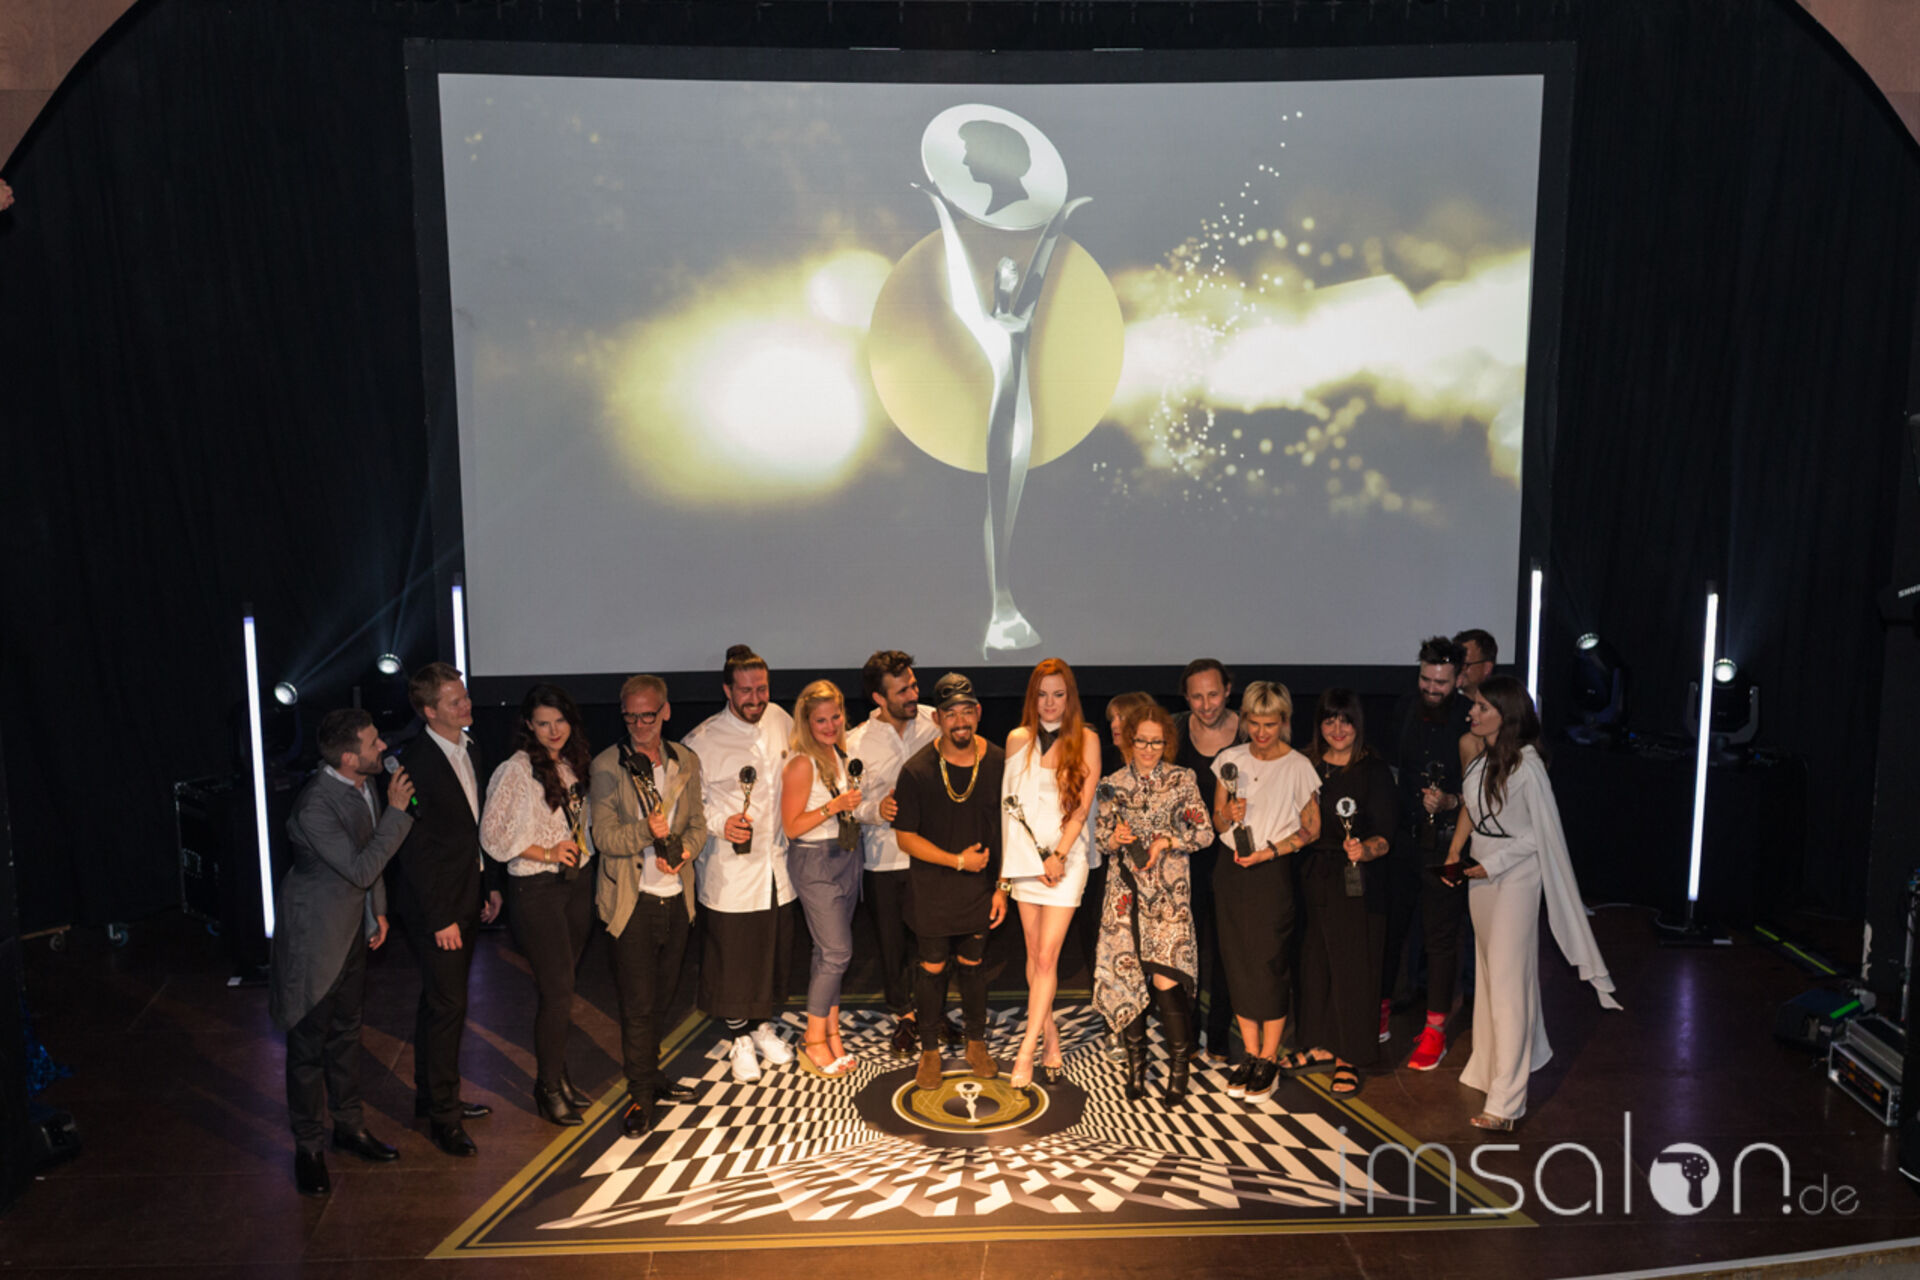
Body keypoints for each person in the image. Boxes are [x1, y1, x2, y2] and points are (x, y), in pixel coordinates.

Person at [1446, 677, 1622, 1130]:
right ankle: (1495, 1066)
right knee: (1492, 974)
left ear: (1505, 714)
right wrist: (1455, 851)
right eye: (1474, 706)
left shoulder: (1528, 767)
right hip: (1481, 874)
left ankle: (1506, 1103)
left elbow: (1539, 836)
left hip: (1516, 878)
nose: (1472, 713)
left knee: (1507, 982)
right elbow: (1470, 808)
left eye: (1482, 707)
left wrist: (1493, 864)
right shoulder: (1480, 758)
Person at [271, 709, 413, 1197]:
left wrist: (379, 910)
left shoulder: (362, 784)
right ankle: (308, 1148)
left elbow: (370, 862)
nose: (384, 747)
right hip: (315, 937)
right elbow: (361, 866)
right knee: (308, 1046)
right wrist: (398, 812)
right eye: (374, 743)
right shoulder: (315, 807)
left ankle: (348, 1127)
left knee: (348, 1034)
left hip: (354, 929)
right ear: (349, 758)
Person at [589, 674, 708, 1139]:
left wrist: (684, 852)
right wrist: (646, 831)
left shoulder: (685, 760)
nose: (640, 725)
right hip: (631, 903)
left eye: (648, 716)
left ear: (666, 712)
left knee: (662, 1000)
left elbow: (697, 824)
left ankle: (653, 1076)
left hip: (677, 900)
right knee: (638, 1006)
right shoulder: (607, 765)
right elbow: (603, 838)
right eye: (631, 717)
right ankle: (640, 1094)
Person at [479, 684, 597, 1127]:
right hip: (536, 889)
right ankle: (547, 1088)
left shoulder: (570, 762)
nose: (553, 730)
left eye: (560, 721)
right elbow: (492, 837)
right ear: (529, 724)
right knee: (557, 990)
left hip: (576, 884)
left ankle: (559, 1077)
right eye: (543, 723)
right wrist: (547, 852)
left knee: (563, 990)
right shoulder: (515, 769)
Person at [391, 662, 497, 1157]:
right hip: (436, 907)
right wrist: (440, 918)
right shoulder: (415, 763)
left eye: (465, 695)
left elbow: (475, 828)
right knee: (449, 1006)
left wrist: (489, 886)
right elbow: (415, 852)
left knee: (439, 1000)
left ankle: (430, 1097)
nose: (467, 705)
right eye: (455, 701)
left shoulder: (470, 748)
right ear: (429, 711)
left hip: (466, 893)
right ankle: (444, 1117)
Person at [683, 644, 797, 1083]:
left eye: (762, 689)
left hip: (777, 866)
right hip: (729, 871)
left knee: (770, 953)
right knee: (732, 958)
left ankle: (761, 1027)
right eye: (746, 691)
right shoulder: (702, 741)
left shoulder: (781, 720)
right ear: (727, 690)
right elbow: (690, 806)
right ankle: (739, 1038)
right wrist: (720, 823)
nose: (755, 699)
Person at [892, 672, 1010, 1090]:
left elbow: (1009, 829)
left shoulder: (999, 762)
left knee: (974, 965)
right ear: (937, 718)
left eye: (966, 712)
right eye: (950, 713)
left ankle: (976, 1044)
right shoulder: (917, 770)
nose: (960, 721)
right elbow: (905, 837)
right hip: (932, 889)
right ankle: (929, 1052)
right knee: (933, 967)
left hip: (981, 888)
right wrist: (957, 861)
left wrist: (1003, 887)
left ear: (978, 713)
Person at [1091, 700, 1211, 1104]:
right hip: (1124, 896)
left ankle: (1179, 1068)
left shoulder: (1182, 779)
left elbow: (1205, 833)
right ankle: (1136, 1068)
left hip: (1168, 897)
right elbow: (1100, 840)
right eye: (1141, 741)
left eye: (1156, 742)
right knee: (1128, 979)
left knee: (1165, 980)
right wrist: (1115, 838)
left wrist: (1168, 841)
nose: (1148, 749)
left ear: (1167, 743)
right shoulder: (1110, 784)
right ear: (1129, 741)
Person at [1282, 690, 1397, 1099]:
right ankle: (1317, 1044)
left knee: (1353, 967)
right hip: (1310, 874)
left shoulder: (1374, 771)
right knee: (1311, 963)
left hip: (1357, 879)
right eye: (1329, 720)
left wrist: (1365, 850)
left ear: (1358, 723)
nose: (1337, 729)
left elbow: (1386, 835)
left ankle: (1350, 1055)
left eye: (1345, 720)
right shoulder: (1305, 764)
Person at [1211, 681, 1320, 1103]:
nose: (1261, 732)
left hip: (1271, 873)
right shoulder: (1230, 759)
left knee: (1269, 964)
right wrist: (1228, 813)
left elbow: (1312, 829)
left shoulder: (1298, 766)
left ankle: (1270, 1058)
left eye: (1270, 724)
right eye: (1254, 723)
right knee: (1237, 961)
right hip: (1230, 871)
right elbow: (1218, 822)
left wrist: (1270, 852)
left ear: (1284, 722)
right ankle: (1251, 1054)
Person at [1001, 659, 1102, 1089]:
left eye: (1058, 694)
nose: (1049, 703)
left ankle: (1026, 1051)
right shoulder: (1016, 739)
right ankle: (1050, 1034)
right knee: (1033, 954)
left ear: (1070, 697)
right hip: (1025, 860)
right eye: (1042, 694)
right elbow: (1009, 810)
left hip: (1066, 860)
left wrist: (1059, 855)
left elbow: (1081, 809)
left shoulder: (1088, 740)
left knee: (1046, 957)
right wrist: (1009, 872)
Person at [1383, 636, 1474, 1068]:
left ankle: (1436, 1030)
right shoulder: (1404, 708)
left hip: (1447, 845)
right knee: (1391, 930)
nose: (1432, 689)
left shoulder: (1472, 718)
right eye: (1426, 679)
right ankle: (1381, 1013)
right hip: (1401, 841)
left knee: (1440, 940)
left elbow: (1484, 789)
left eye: (1441, 682)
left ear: (1459, 679)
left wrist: (1452, 801)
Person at [847, 651, 943, 1056]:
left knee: (934, 943)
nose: (913, 695)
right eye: (902, 691)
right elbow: (850, 804)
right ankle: (905, 1016)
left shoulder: (936, 721)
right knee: (892, 946)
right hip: (884, 860)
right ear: (878, 698)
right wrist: (877, 810)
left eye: (914, 686)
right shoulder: (855, 742)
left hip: (932, 855)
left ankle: (934, 1012)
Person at [781, 680, 866, 1078]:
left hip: (846, 856)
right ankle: (813, 1039)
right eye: (821, 720)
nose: (831, 725)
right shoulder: (802, 763)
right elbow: (791, 827)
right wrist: (834, 806)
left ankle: (832, 1032)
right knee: (837, 952)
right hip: (814, 861)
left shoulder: (840, 755)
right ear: (806, 722)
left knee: (826, 952)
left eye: (836, 717)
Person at [1172, 658, 1242, 1065]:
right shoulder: (1175, 731)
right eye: (1196, 696)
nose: (1206, 704)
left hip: (1235, 858)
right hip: (1186, 860)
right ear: (1186, 698)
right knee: (1187, 949)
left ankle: (1219, 1035)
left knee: (1229, 949)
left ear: (1228, 690)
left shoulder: (1251, 730)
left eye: (1213, 694)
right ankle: (1187, 1032)